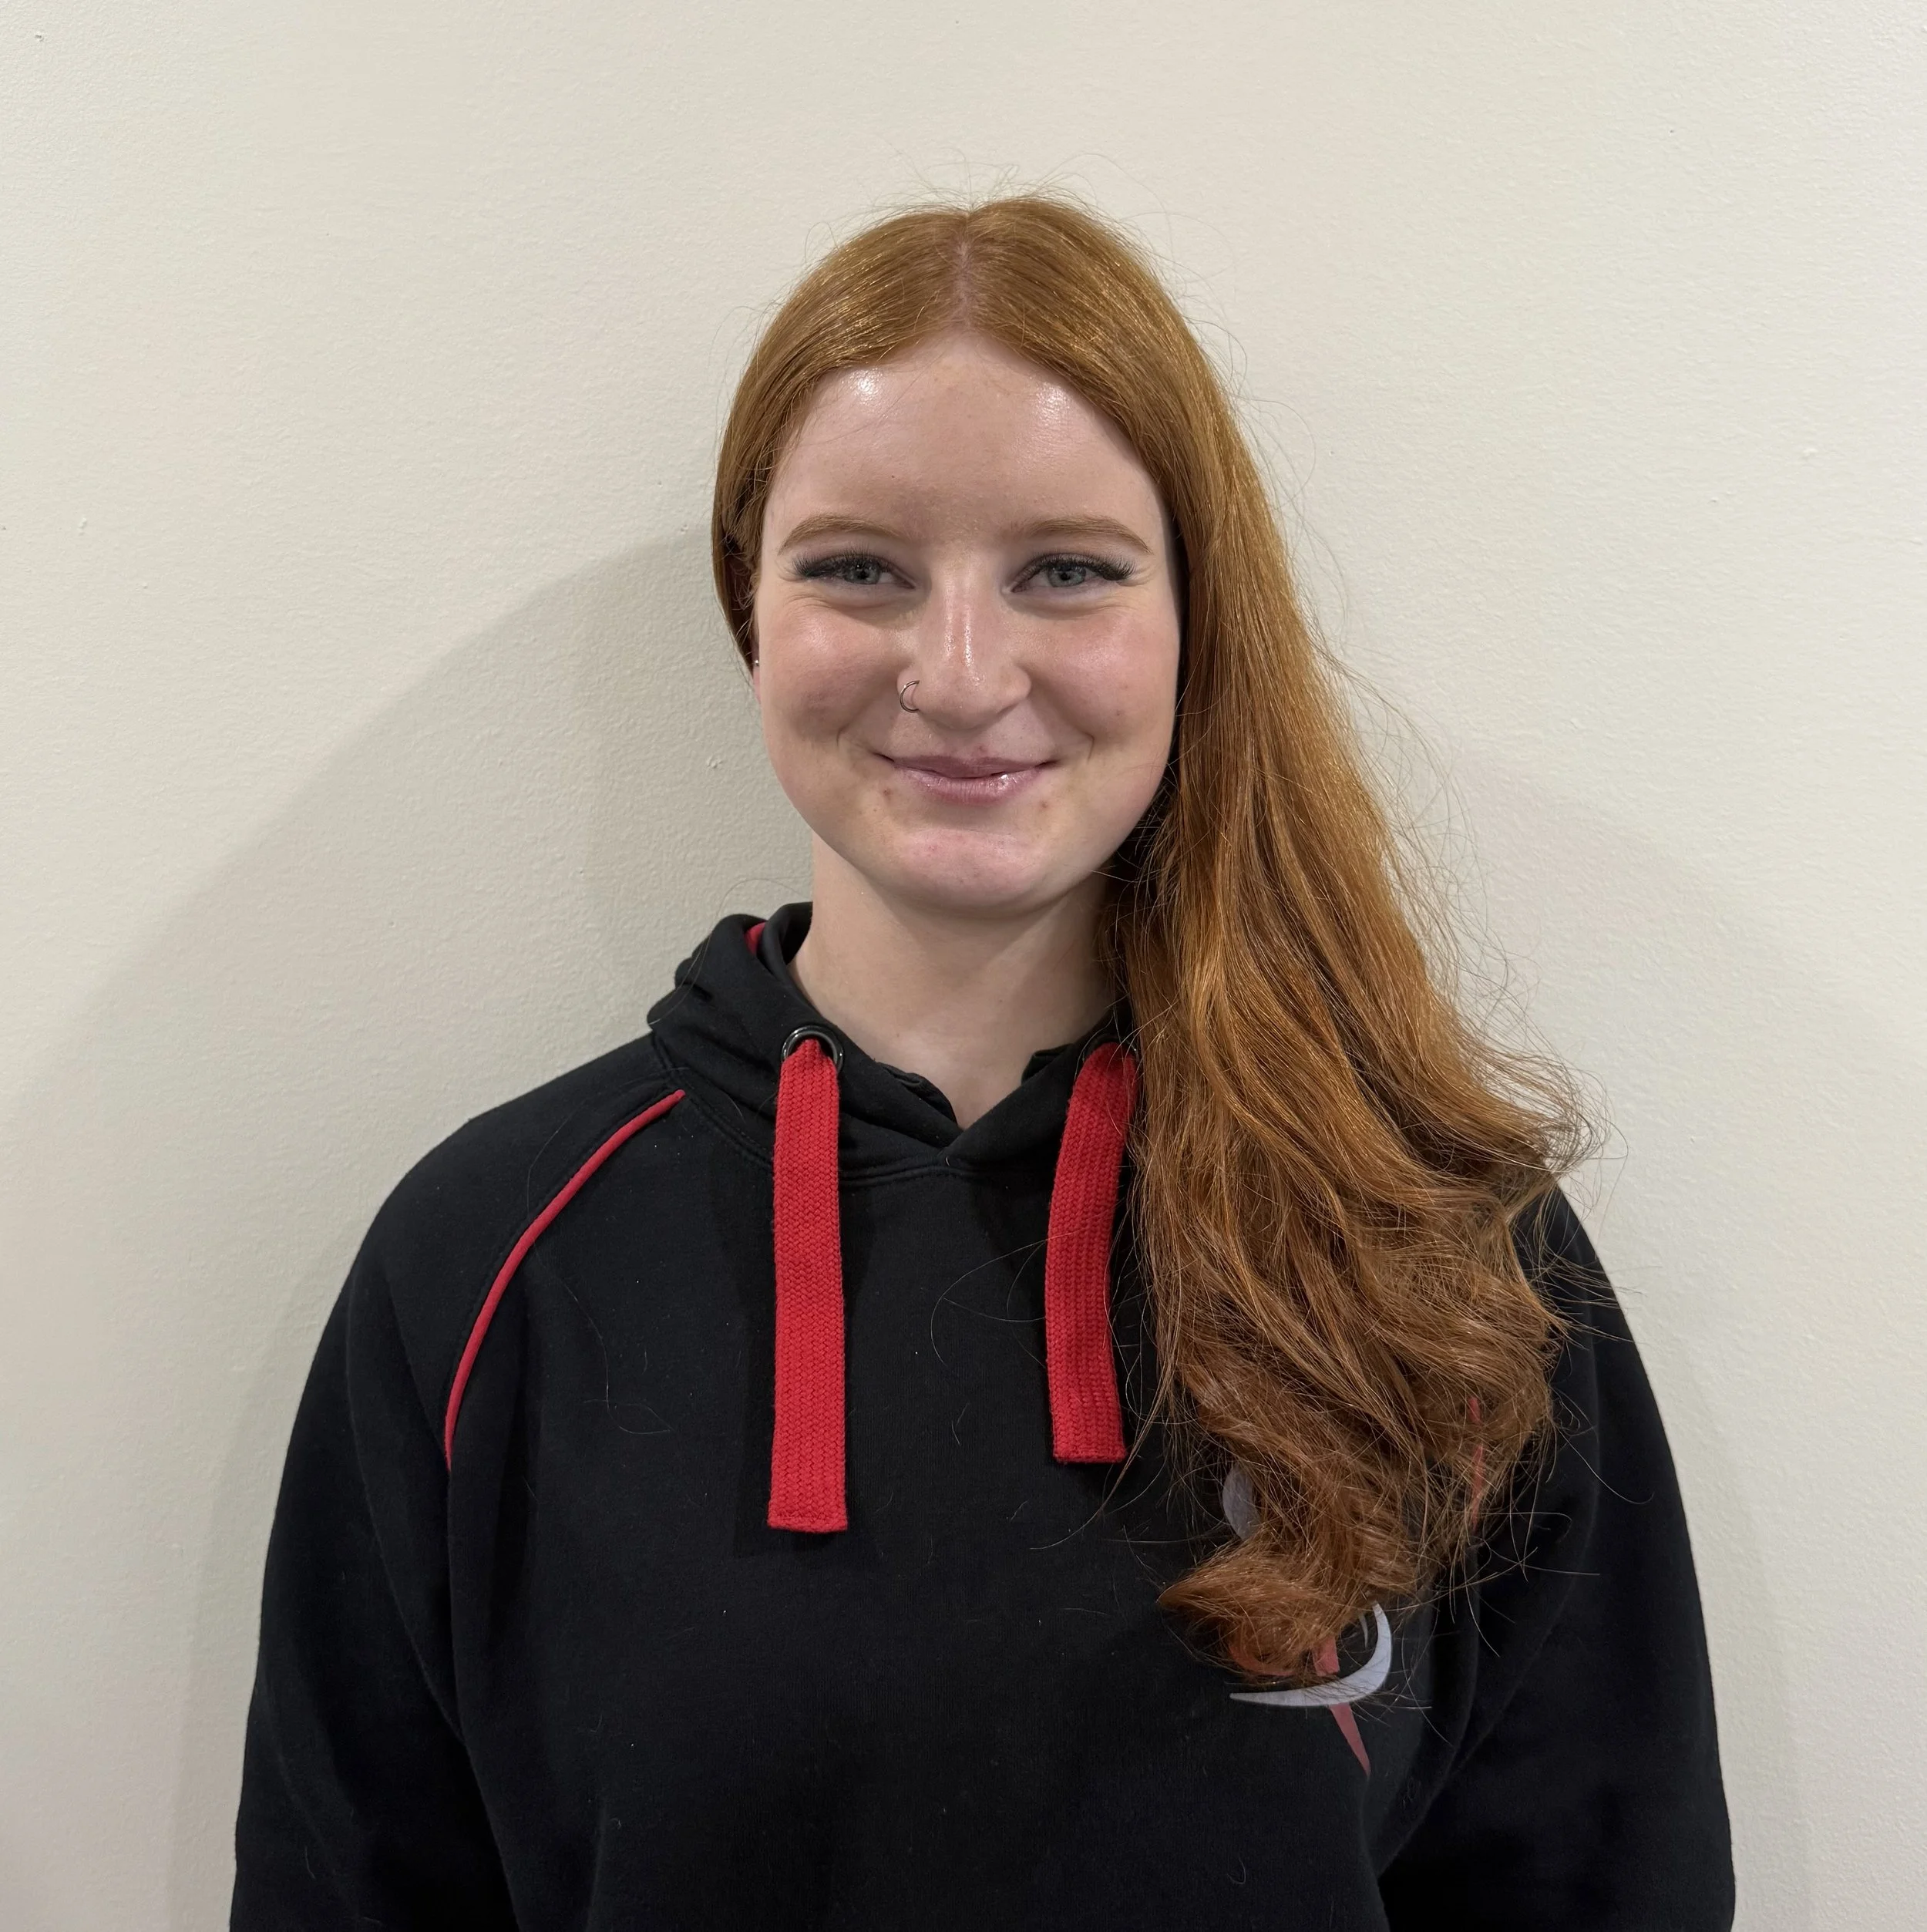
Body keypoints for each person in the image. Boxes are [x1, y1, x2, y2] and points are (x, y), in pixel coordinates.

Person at [231, 196, 1733, 1930]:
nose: (957, 672)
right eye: (857, 566)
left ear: (1191, 618)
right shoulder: (486, 1262)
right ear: (750, 608)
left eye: (1066, 570)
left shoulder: (1437, 1246)